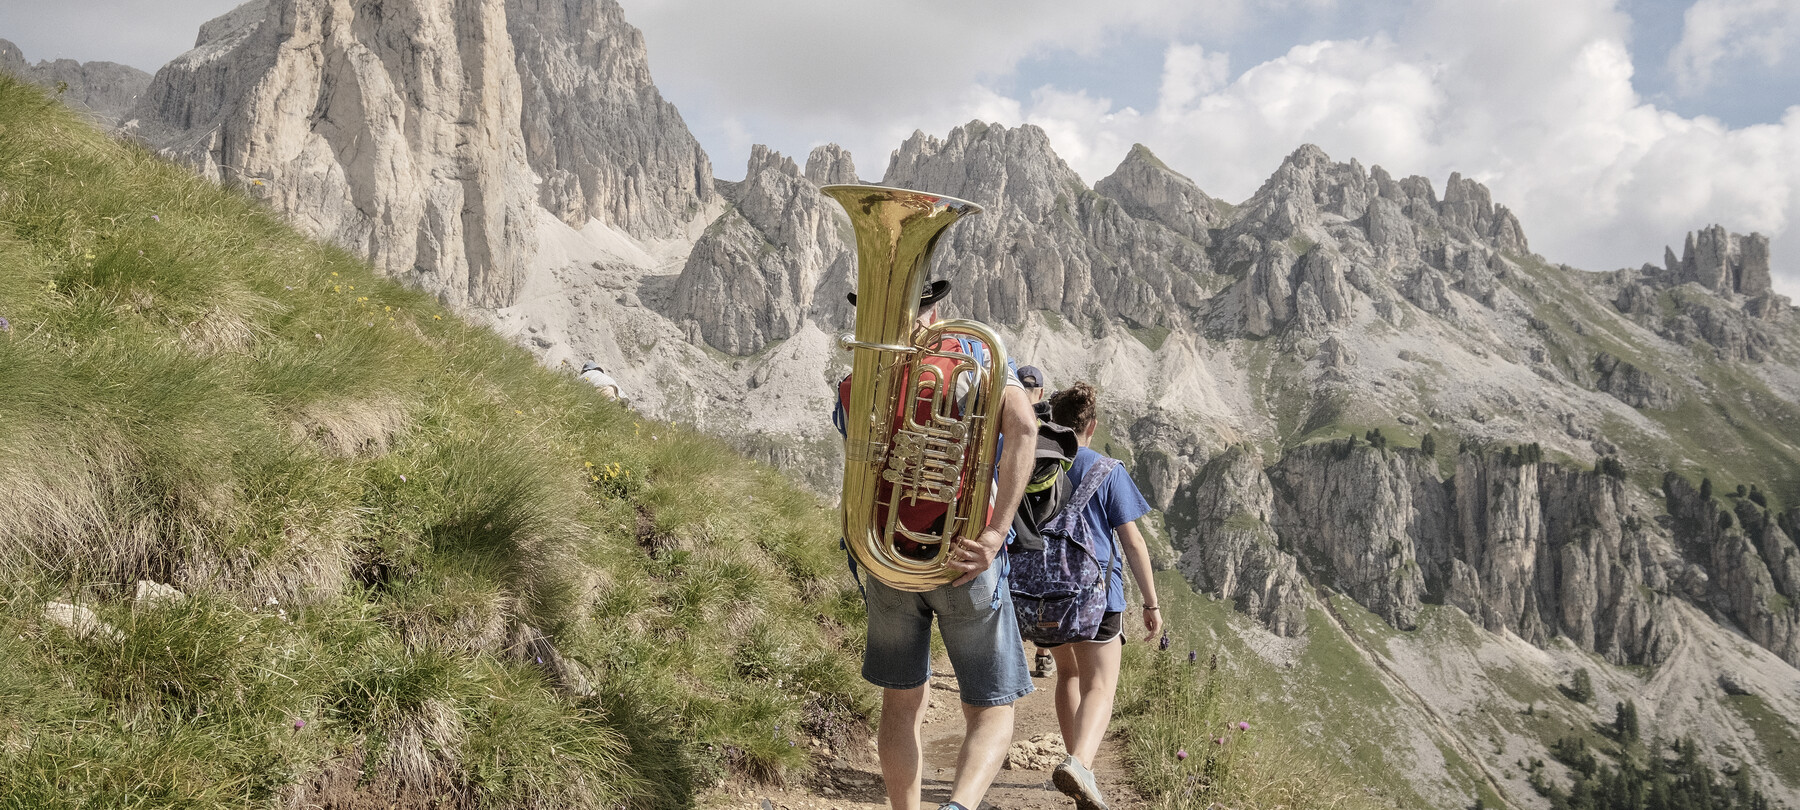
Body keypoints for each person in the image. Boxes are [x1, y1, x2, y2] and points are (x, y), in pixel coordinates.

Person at [834, 279, 1039, 810]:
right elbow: (1024, 427)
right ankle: (958, 807)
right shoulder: (975, 354)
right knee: (992, 708)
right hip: (964, 556)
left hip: (887, 558)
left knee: (900, 706)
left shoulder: (856, 378)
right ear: (936, 305)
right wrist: (995, 533)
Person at [1039, 382, 1163, 810]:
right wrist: (1151, 603)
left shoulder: (1035, 461)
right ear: (1091, 426)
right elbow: (1133, 543)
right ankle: (1081, 765)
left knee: (1068, 676)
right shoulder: (1107, 470)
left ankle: (1078, 772)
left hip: (1045, 594)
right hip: (1097, 598)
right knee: (1100, 684)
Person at [1014, 364, 1057, 679]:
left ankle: (1011, 652)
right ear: (1040, 392)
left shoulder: (1006, 422)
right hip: (1044, 524)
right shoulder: (1051, 432)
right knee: (1044, 589)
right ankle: (1043, 654)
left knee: (1010, 585)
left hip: (1012, 522)